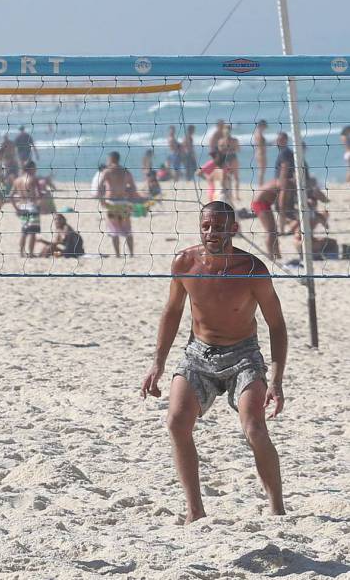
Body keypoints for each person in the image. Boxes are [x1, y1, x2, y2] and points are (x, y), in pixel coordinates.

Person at [141, 201, 286, 524]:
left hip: (244, 354)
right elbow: (172, 312)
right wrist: (158, 363)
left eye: (219, 226)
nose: (211, 232)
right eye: (206, 226)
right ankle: (195, 511)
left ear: (232, 229)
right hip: (199, 353)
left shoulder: (252, 269)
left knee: (255, 428)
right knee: (177, 423)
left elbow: (276, 324)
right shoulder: (185, 262)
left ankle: (277, 508)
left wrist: (275, 379)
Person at [97, 151, 138, 257]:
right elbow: (133, 187)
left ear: (111, 159)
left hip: (112, 203)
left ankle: (118, 254)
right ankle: (131, 254)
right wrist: (130, 198)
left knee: (113, 230)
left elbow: (99, 187)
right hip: (124, 202)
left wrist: (102, 201)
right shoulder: (125, 171)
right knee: (127, 230)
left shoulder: (107, 171)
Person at [250, 176, 294, 261]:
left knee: (273, 230)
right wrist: (283, 226)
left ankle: (278, 256)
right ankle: (271, 256)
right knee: (270, 230)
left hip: (264, 202)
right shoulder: (286, 184)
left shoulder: (284, 181)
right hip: (260, 203)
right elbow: (282, 205)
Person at [10, 160, 44, 257]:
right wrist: (41, 199)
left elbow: (11, 196)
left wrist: (16, 209)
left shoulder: (17, 180)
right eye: (35, 168)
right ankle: (31, 253)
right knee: (33, 231)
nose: (36, 170)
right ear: (31, 168)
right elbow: (39, 194)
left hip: (22, 206)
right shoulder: (33, 179)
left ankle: (21, 252)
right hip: (32, 206)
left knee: (24, 231)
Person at [252, 120, 268, 187]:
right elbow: (260, 145)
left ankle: (260, 185)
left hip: (258, 153)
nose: (265, 128)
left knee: (261, 171)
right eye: (264, 126)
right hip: (261, 154)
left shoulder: (257, 132)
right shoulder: (259, 134)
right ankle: (260, 186)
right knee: (261, 171)